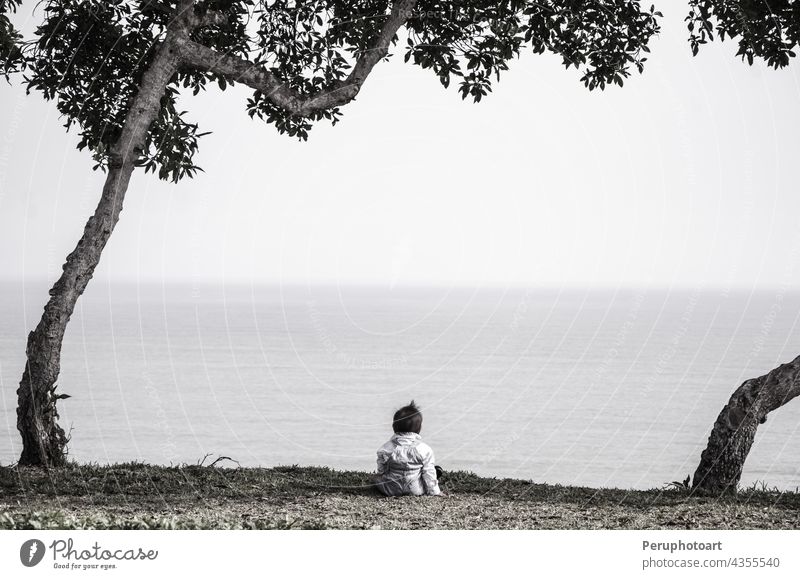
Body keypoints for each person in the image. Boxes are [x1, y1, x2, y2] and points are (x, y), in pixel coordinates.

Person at [373, 400, 443, 497]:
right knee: (429, 471)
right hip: (416, 490)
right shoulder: (424, 449)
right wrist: (436, 492)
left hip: (390, 490)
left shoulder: (386, 448)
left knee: (376, 478)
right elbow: (428, 472)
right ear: (419, 429)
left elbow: (382, 470)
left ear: (394, 427)